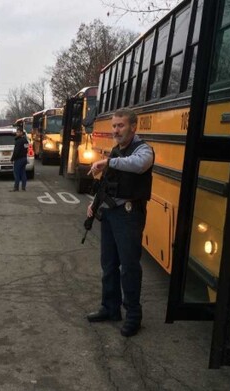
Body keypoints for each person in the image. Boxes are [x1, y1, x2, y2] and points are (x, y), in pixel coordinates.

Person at [85, 108, 154, 337]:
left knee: (129, 267)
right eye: (114, 126)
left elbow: (138, 164)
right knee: (109, 265)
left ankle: (133, 316)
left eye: (121, 126)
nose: (116, 130)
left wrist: (109, 162)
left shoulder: (143, 149)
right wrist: (94, 205)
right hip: (111, 213)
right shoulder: (115, 151)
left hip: (129, 214)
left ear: (133, 127)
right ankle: (110, 308)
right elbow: (106, 184)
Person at [10, 127, 29, 192]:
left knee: (16, 173)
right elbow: (26, 149)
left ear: (21, 133)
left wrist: (12, 159)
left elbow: (16, 151)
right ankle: (23, 187)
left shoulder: (18, 141)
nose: (16, 133)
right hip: (24, 158)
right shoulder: (25, 140)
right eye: (17, 132)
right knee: (23, 173)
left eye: (18, 132)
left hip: (19, 159)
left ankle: (16, 187)